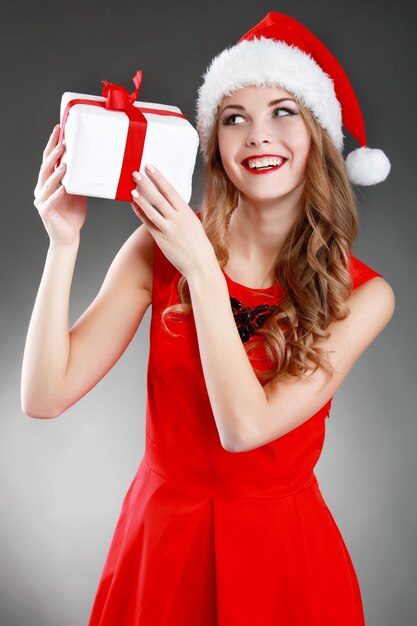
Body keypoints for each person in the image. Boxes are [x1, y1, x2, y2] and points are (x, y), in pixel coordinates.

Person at [22, 11, 395, 626]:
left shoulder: (365, 294)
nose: (257, 136)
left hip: (283, 556)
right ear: (214, 144)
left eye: (284, 111)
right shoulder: (160, 246)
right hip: (162, 545)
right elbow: (43, 395)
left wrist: (202, 271)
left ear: (319, 137)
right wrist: (63, 244)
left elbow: (245, 430)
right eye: (234, 118)